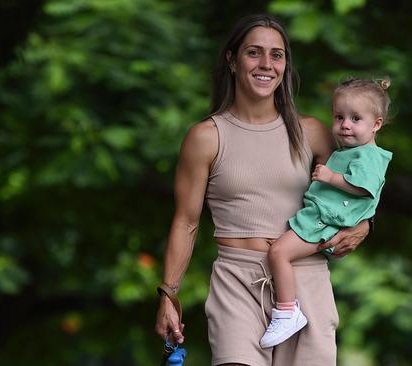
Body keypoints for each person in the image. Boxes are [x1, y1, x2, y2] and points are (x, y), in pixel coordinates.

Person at [154, 14, 371, 366]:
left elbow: (360, 189)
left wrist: (365, 226)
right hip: (237, 281)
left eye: (277, 55)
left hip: (306, 280)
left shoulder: (312, 132)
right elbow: (186, 222)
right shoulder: (206, 137)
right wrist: (168, 295)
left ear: (285, 65)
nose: (266, 64)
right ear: (232, 59)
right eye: (254, 53)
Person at [259, 78, 393, 348]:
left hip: (325, 222)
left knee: (278, 253)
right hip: (321, 218)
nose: (345, 124)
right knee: (281, 251)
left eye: (356, 118)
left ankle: (287, 312)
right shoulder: (351, 151)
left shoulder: (368, 156)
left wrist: (331, 177)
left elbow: (363, 188)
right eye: (339, 117)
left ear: (376, 124)